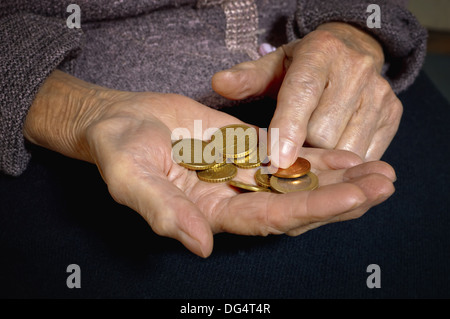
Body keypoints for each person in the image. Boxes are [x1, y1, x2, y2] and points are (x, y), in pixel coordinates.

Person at [3, 1, 448, 298]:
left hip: (353, 78)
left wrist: (356, 31)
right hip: (53, 101)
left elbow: (380, 8)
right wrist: (75, 112)